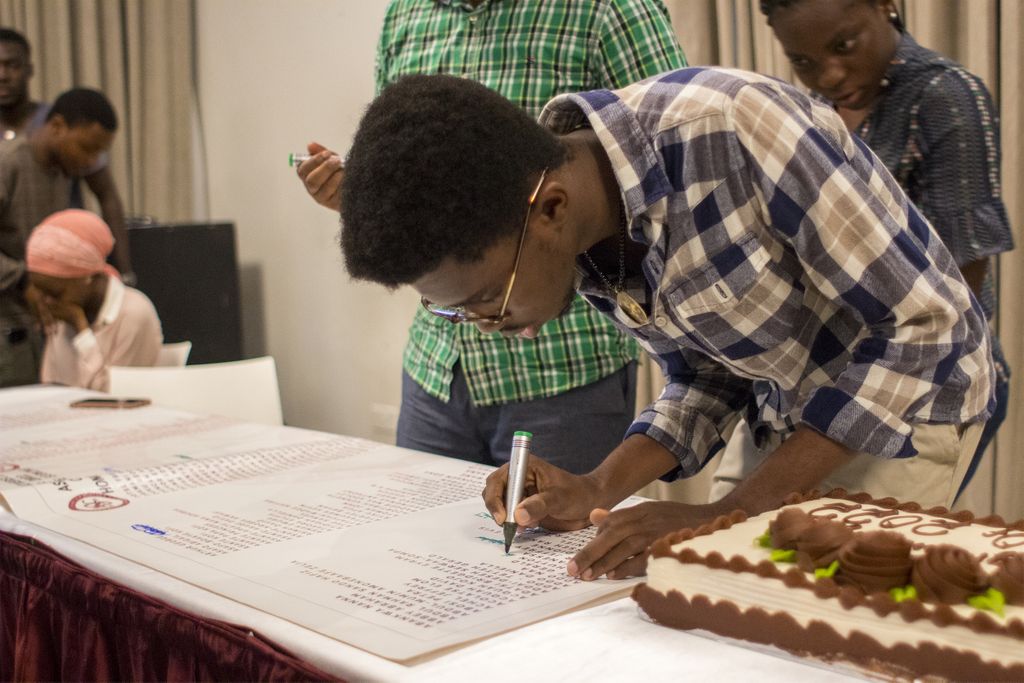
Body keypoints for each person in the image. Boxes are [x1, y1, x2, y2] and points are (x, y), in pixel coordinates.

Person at [336, 70, 993, 581]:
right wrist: (597, 484)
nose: (485, 325)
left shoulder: (736, 129)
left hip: (910, 401)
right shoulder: (583, 237)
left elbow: (927, 322)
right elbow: (709, 368)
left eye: (486, 298)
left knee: (827, 637)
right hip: (787, 408)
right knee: (720, 602)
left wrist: (732, 511)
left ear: (551, 210)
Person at [297, 0, 686, 475]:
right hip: (437, 367)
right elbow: (402, 167)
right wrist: (362, 198)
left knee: (557, 544)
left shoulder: (607, 9)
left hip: (565, 368)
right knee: (417, 544)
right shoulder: (404, 15)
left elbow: (666, 155)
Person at [754, 0, 1014, 502]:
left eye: (843, 46)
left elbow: (958, 301)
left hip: (934, 387)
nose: (828, 75)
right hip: (830, 385)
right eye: (803, 62)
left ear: (885, 6)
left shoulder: (943, 96)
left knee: (866, 561)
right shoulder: (810, 112)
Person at [0, 87, 118, 387]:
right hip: (9, 330)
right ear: (57, 126)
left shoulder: (61, 173)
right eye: (87, 149)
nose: (91, 161)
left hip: (44, 326)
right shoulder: (8, 165)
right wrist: (22, 279)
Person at [0, 27, 132, 276]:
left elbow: (107, 195)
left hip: (56, 275)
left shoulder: (59, 140)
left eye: (12, 65)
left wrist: (125, 274)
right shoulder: (13, 158)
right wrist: (21, 279)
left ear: (29, 69)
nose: (3, 75)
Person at [25, 209, 161, 391]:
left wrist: (81, 329)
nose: (47, 301)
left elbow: (111, 398)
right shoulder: (64, 307)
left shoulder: (134, 314)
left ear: (86, 277)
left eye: (54, 292)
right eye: (40, 292)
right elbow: (51, 384)